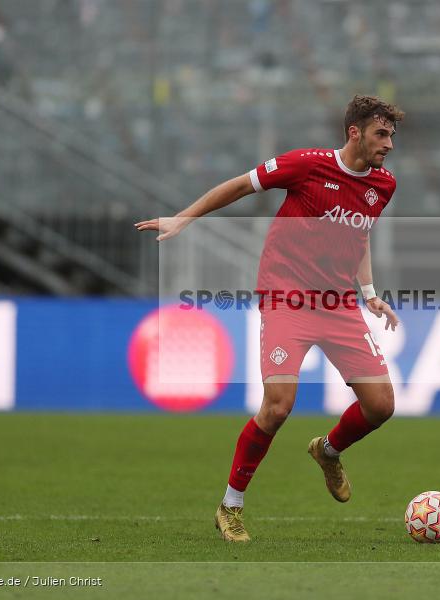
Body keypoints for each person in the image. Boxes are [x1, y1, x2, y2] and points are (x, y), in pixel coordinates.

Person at [135, 95, 404, 542]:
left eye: (392, 135)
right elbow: (240, 185)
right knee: (279, 404)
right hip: (287, 297)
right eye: (381, 133)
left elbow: (359, 234)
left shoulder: (384, 185)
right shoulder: (306, 165)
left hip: (338, 304)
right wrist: (183, 219)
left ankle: (328, 450)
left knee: (381, 406)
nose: (389, 143)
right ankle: (230, 506)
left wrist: (370, 293)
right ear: (354, 132)